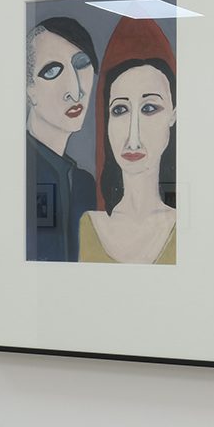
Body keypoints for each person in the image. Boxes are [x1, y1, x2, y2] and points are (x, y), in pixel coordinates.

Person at [79, 16, 178, 264]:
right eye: (120, 110)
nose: (133, 139)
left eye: (149, 108)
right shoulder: (87, 226)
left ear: (173, 116)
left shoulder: (188, 226)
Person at [26, 17, 99, 261]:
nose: (75, 91)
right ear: (28, 89)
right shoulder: (17, 173)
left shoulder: (84, 186)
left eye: (82, 64)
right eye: (52, 71)